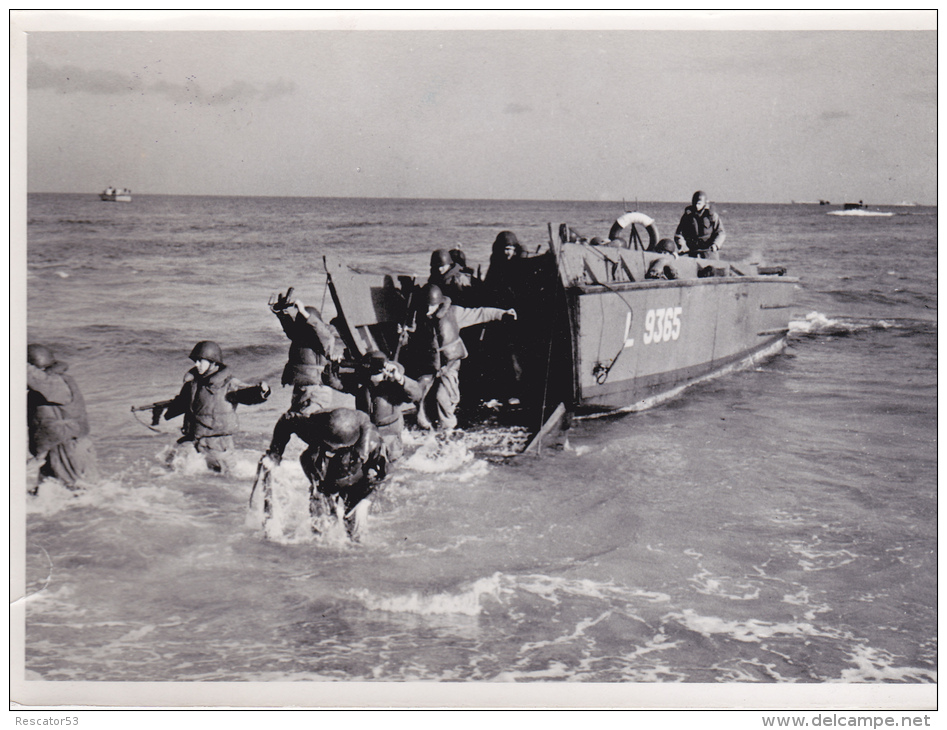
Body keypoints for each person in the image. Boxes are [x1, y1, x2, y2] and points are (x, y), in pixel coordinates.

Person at [261, 407, 388, 539]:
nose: (333, 449)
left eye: (337, 448)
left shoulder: (372, 443)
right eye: (330, 445)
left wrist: (364, 500)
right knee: (321, 527)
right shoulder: (313, 428)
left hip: (354, 480)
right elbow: (287, 420)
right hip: (322, 478)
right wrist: (275, 454)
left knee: (355, 530)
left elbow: (383, 474)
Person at [411, 283, 515, 430]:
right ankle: (425, 426)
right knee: (420, 393)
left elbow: (480, 313)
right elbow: (412, 336)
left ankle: (448, 428)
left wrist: (502, 313)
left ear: (440, 303)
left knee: (442, 396)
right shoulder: (419, 316)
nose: (428, 310)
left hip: (450, 365)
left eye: (432, 306)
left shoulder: (454, 313)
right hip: (429, 365)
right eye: (426, 306)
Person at [154, 340, 270, 472]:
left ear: (213, 362)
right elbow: (182, 403)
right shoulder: (193, 384)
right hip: (193, 441)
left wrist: (262, 392)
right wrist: (163, 411)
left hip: (218, 446)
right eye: (195, 361)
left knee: (225, 479)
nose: (197, 364)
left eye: (200, 361)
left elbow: (247, 394)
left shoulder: (228, 384)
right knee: (169, 464)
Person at [27, 344, 98, 493]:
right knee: (51, 496)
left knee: (79, 496)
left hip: (68, 449)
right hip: (57, 448)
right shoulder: (48, 386)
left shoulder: (56, 383)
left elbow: (30, 376)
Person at [268, 288, 342, 416]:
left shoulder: (324, 338)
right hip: (302, 388)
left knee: (304, 423)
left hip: (316, 391)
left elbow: (324, 333)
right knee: (291, 424)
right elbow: (290, 328)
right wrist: (280, 311)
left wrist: (303, 312)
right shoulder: (301, 336)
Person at [342, 350, 422, 461]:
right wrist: (332, 366)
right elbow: (336, 382)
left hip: (390, 436)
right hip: (368, 434)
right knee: (367, 467)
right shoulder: (363, 384)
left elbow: (416, 394)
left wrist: (400, 379)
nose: (372, 378)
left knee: (392, 465)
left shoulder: (394, 386)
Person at [674, 190, 726, 259]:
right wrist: (681, 245)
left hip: (709, 252)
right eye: (694, 203)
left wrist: (716, 245)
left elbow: (721, 232)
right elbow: (679, 234)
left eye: (699, 203)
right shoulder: (687, 216)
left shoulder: (712, 215)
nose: (696, 206)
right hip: (692, 252)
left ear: (704, 203)